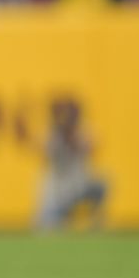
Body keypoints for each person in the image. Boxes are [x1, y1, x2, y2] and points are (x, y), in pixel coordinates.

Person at [35, 98, 108, 230]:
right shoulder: (52, 133)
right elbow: (44, 152)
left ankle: (95, 223)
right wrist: (62, 135)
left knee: (103, 183)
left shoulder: (82, 131)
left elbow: (92, 148)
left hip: (79, 187)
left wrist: (73, 136)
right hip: (57, 194)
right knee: (48, 231)